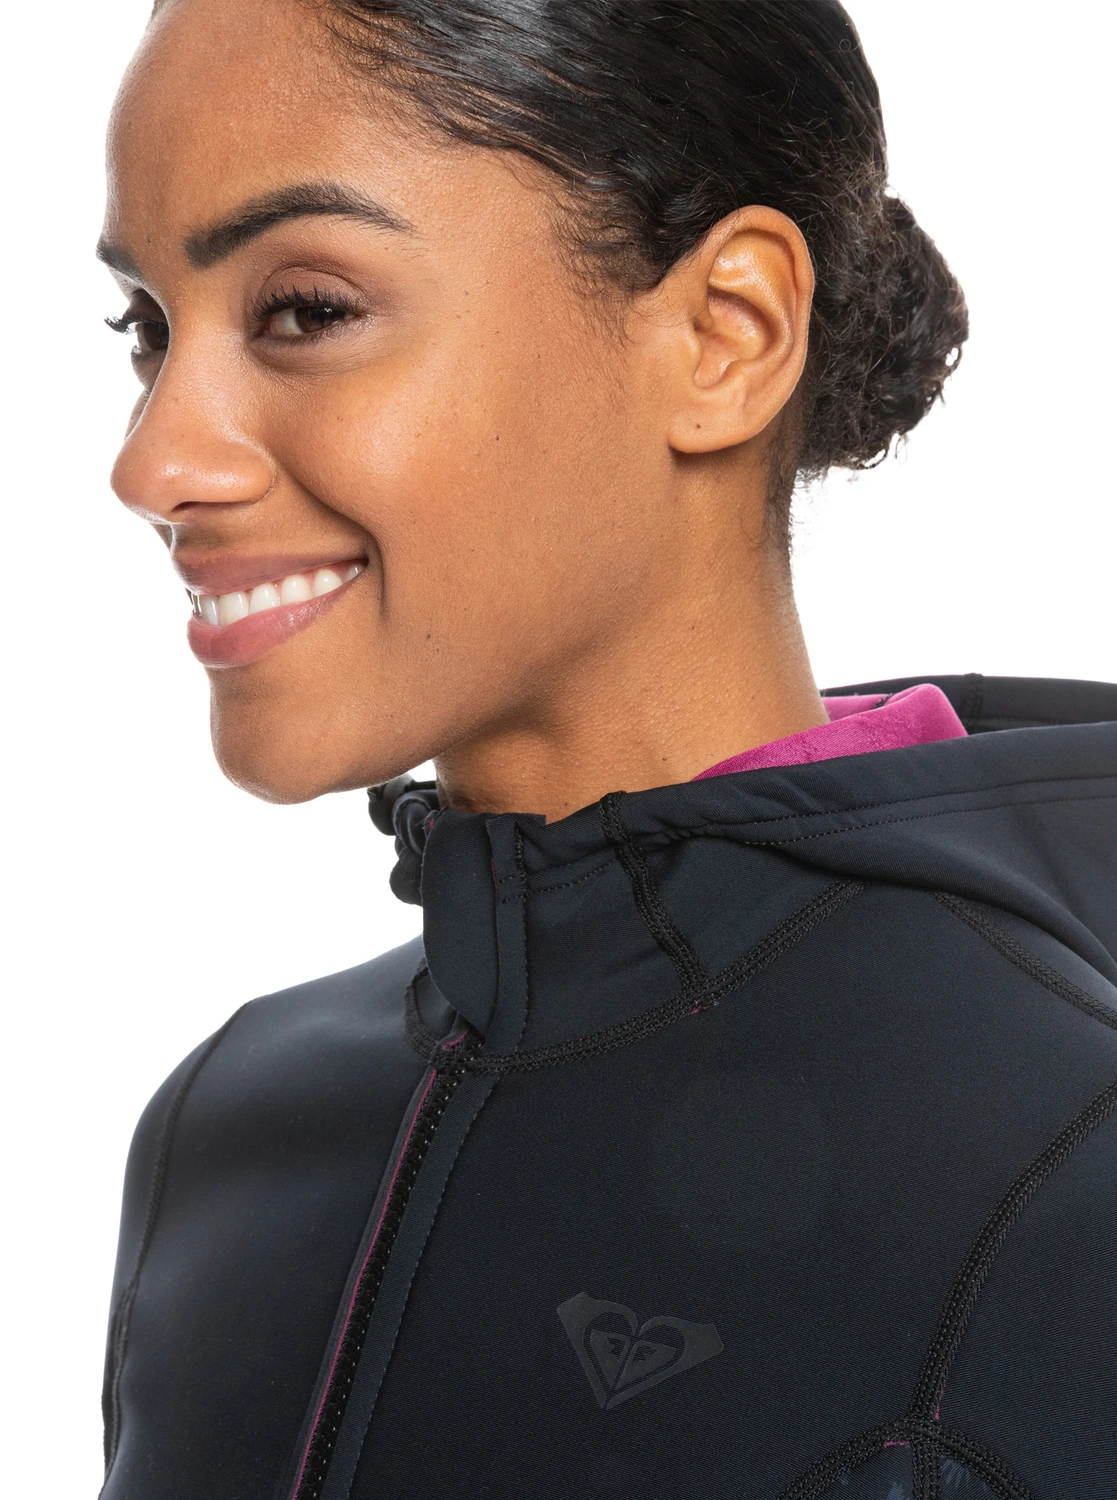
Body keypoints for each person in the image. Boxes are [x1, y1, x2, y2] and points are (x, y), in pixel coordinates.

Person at [96, 1, 1117, 1497]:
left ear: (724, 336)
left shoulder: (1065, 1172)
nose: (154, 461)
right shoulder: (224, 1127)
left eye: (304, 310)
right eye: (147, 327)